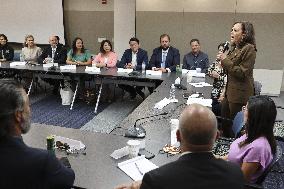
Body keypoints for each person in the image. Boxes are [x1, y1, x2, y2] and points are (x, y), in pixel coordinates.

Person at [116, 104, 244, 189]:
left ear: (178, 136)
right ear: (217, 137)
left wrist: (136, 186)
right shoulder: (235, 174)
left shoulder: (156, 180)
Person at [0, 79, 75, 188]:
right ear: (18, 115)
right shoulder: (43, 161)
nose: (30, 110)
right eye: (28, 105)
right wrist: (60, 164)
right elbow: (68, 179)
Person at [217, 21, 256, 137]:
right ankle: (225, 146)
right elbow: (229, 69)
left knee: (235, 128)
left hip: (239, 95)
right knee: (225, 123)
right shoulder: (234, 48)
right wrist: (222, 62)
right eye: (231, 29)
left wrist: (225, 60)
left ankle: (234, 150)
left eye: (235, 30)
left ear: (244, 34)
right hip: (229, 93)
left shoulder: (249, 49)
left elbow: (241, 73)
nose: (231, 32)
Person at [225, 95, 276, 183]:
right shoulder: (252, 133)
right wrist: (215, 159)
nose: (243, 111)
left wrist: (217, 171)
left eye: (246, 109)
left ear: (255, 117)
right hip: (227, 170)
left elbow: (242, 180)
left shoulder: (258, 148)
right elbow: (234, 155)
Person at [207, 42, 228, 116]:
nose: (220, 52)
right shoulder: (217, 61)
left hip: (222, 92)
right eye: (219, 50)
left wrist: (218, 77)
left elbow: (228, 79)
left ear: (226, 52)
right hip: (214, 90)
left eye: (222, 50)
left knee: (210, 108)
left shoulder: (228, 63)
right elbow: (208, 70)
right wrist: (212, 73)